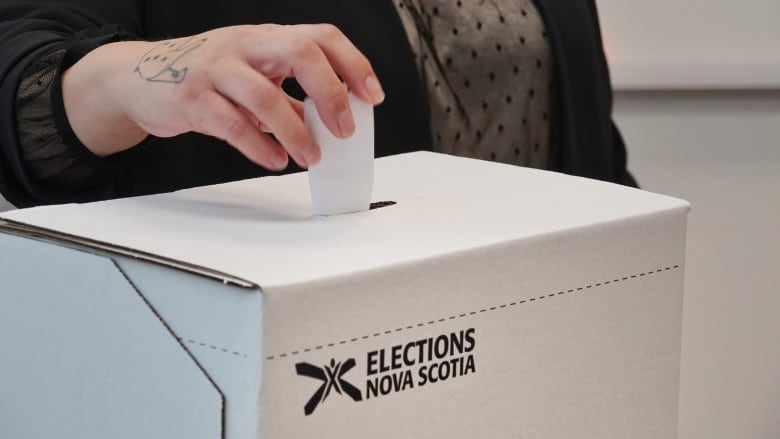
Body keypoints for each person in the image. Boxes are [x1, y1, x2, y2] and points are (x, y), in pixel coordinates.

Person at [0, 0, 634, 208]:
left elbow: (584, 140)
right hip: (304, 367)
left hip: (553, 340)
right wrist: (128, 81)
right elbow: (21, 82)